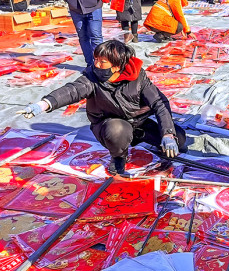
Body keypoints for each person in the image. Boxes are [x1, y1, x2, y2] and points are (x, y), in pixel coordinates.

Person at [18, 40, 186, 175]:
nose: (96, 64)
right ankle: (118, 157)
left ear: (116, 66)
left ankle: (157, 142)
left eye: (102, 62)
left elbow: (159, 102)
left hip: (138, 125)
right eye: (96, 59)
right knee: (117, 130)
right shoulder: (92, 77)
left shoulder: (138, 77)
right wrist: (44, 104)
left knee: (180, 137)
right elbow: (72, 90)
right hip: (110, 125)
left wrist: (168, 134)